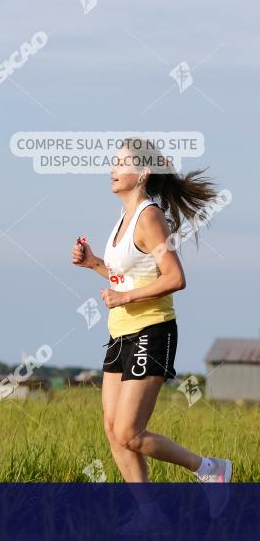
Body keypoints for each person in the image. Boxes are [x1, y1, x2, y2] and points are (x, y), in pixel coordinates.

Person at [71, 139, 231, 522]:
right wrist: (94, 263)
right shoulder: (123, 219)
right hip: (121, 333)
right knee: (113, 431)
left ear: (142, 173)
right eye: (113, 161)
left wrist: (125, 300)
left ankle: (209, 469)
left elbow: (175, 278)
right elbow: (127, 276)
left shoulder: (149, 217)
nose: (112, 169)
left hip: (152, 331)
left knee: (129, 432)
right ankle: (150, 514)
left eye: (121, 163)